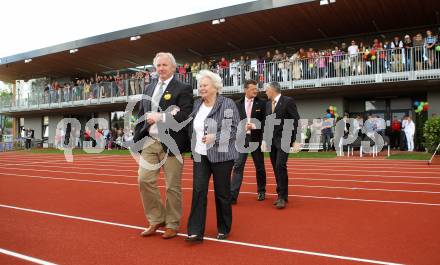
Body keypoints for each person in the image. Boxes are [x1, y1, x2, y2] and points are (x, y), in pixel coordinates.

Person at [134, 52, 193, 240]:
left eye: (164, 65)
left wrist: (162, 117)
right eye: (158, 65)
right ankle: (156, 218)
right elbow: (142, 114)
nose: (161, 68)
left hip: (172, 143)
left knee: (172, 187)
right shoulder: (149, 87)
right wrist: (137, 137)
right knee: (144, 180)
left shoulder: (183, 88)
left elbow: (185, 115)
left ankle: (172, 224)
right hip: (150, 141)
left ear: (174, 67)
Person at [186, 70, 239, 242]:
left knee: (222, 193)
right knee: (198, 191)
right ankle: (195, 231)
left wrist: (214, 137)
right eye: (200, 85)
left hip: (222, 155)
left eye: (205, 85)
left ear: (215, 86)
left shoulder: (227, 104)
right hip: (200, 154)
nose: (201, 88)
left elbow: (233, 129)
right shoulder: (196, 105)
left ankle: (223, 228)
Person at [263, 82, 300, 209]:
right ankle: (283, 194)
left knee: (280, 165)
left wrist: (296, 140)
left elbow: (296, 120)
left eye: (267, 90)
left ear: (272, 90)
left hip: (284, 139)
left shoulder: (288, 101)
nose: (265, 92)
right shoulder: (268, 104)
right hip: (272, 141)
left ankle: (281, 197)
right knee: (275, 167)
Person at [230, 79, 267, 204]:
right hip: (241, 139)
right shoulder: (236, 103)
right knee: (238, 166)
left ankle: (261, 191)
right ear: (245, 89)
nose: (255, 91)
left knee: (259, 166)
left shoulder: (262, 103)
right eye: (252, 89)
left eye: (256, 89)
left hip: (256, 139)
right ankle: (233, 195)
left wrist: (255, 125)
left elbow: (267, 121)